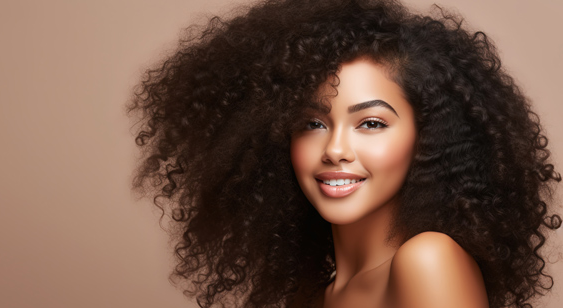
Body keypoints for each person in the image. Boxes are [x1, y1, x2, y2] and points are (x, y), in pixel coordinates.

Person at [127, 0, 561, 307]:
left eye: (371, 123)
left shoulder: (427, 261)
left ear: (429, 138)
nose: (335, 150)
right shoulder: (315, 297)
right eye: (312, 123)